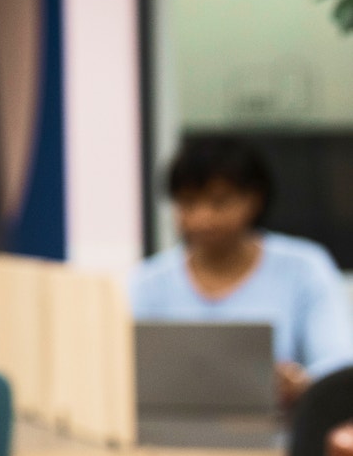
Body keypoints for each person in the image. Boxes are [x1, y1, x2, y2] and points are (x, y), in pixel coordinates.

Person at [132, 136, 353, 409]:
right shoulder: (148, 282)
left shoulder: (304, 268)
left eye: (219, 202)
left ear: (254, 200)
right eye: (188, 203)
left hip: (281, 436)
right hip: (164, 437)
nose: (203, 218)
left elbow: (338, 364)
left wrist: (300, 382)